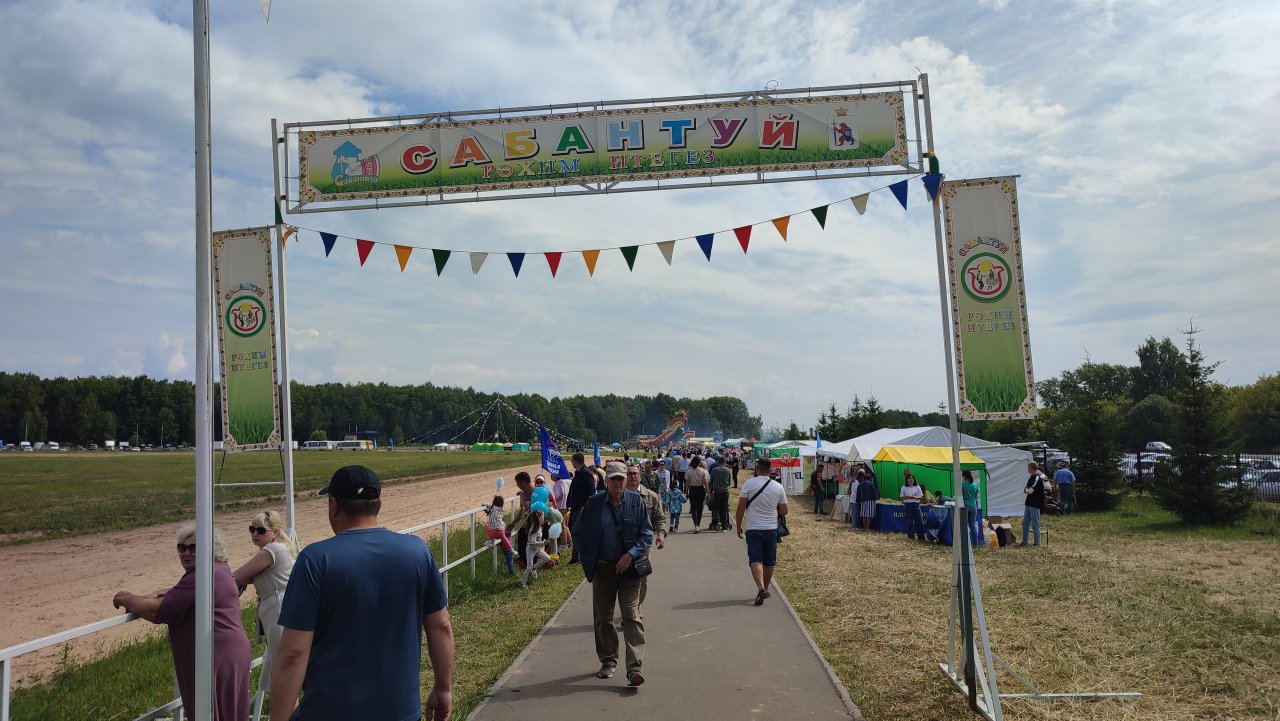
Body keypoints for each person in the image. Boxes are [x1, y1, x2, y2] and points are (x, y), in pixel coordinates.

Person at [271, 465, 454, 721]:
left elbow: (293, 654)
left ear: (333, 505)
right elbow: (441, 626)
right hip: (400, 711)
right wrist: (443, 687)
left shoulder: (315, 560)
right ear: (378, 503)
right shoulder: (417, 551)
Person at [113, 523, 251, 721]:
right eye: (182, 547)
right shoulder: (219, 570)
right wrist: (159, 593)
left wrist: (126, 599)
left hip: (215, 656)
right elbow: (183, 593)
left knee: (211, 711)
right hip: (228, 652)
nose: (186, 553)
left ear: (209, 549)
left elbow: (157, 611)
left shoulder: (203, 575)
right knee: (229, 712)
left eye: (194, 548)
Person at [572, 461, 653, 686]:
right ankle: (608, 660)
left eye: (621, 478)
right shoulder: (594, 503)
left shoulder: (637, 502)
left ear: (627, 480)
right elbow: (578, 532)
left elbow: (647, 534)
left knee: (630, 615)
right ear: (605, 481)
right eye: (613, 479)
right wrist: (591, 555)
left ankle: (634, 669)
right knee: (603, 617)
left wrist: (630, 555)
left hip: (630, 570)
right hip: (603, 570)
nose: (618, 483)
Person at [233, 510, 296, 690]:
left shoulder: (271, 550)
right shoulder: (281, 548)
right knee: (282, 671)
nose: (254, 534)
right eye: (252, 529)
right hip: (280, 608)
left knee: (282, 674)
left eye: (261, 530)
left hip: (278, 610)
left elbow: (236, 576)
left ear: (275, 532)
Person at [735, 458, 789, 606]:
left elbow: (740, 508)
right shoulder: (778, 487)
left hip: (753, 528)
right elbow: (784, 510)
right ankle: (765, 588)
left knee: (755, 559)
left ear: (756, 469)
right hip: (771, 529)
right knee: (769, 561)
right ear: (770, 470)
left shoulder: (749, 484)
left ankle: (760, 589)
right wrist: (773, 509)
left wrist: (738, 526)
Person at [625, 463, 667, 616]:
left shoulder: (651, 496)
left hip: (644, 544)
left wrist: (661, 535)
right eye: (629, 474)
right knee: (624, 579)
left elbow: (659, 518)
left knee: (641, 577)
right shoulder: (617, 495)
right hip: (622, 544)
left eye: (635, 473)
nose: (633, 476)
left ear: (640, 476)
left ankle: (636, 607)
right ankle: (628, 608)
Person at [568, 453, 597, 565]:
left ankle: (579, 557)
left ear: (575, 461)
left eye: (572, 461)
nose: (571, 463)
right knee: (576, 532)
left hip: (581, 508)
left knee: (578, 533)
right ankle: (576, 557)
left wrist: (585, 507)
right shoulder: (580, 473)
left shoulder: (585, 473)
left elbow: (591, 492)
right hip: (576, 507)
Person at [482, 495, 516, 575]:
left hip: (495, 531)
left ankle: (491, 540)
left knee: (487, 527)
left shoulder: (492, 509)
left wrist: (486, 506)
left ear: (494, 502)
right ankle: (512, 549)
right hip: (501, 531)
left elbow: (485, 507)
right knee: (505, 540)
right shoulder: (501, 510)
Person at [521, 509, 551, 588]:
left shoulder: (540, 527)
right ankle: (522, 582)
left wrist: (543, 541)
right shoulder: (533, 529)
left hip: (537, 549)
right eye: (543, 517)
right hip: (530, 550)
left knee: (547, 558)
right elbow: (532, 543)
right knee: (528, 567)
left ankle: (535, 568)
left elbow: (538, 540)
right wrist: (542, 543)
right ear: (538, 518)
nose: (544, 519)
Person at [511, 471, 534, 568]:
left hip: (535, 526)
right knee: (521, 545)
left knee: (533, 547)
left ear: (523, 482)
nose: (517, 485)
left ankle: (533, 566)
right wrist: (513, 523)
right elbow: (522, 510)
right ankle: (524, 564)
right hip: (524, 525)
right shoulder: (522, 495)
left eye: (518, 483)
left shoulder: (538, 493)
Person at [1021, 462, 1047, 547]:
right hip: (1028, 503)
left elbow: (1029, 490)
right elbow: (1025, 489)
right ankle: (1025, 541)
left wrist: (1027, 490)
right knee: (1025, 523)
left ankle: (1037, 543)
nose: (1028, 469)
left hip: (1035, 504)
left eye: (1029, 467)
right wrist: (1026, 490)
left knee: (1035, 523)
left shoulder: (1037, 478)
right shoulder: (1031, 478)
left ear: (1032, 468)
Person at [685, 457, 711, 532]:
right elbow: (705, 483)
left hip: (692, 489)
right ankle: (698, 524)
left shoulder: (689, 471)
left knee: (694, 509)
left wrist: (686, 492)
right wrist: (708, 493)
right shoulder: (703, 471)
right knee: (700, 509)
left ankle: (695, 525)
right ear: (699, 462)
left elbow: (687, 483)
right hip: (701, 490)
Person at [900, 471, 925, 541]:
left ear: (914, 480)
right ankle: (911, 537)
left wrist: (915, 497)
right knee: (909, 521)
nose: (911, 480)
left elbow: (921, 496)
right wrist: (907, 497)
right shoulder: (904, 487)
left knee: (919, 521)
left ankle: (921, 537)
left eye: (912, 478)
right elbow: (901, 497)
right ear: (907, 480)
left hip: (916, 505)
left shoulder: (917, 487)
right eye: (909, 478)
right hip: (908, 505)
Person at [709, 458, 733, 531]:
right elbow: (729, 481)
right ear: (725, 462)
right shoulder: (728, 470)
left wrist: (711, 491)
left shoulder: (714, 470)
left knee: (715, 508)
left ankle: (718, 520)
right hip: (725, 491)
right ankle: (724, 526)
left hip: (717, 491)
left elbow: (711, 481)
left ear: (718, 462)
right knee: (724, 509)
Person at [961, 470, 982, 547]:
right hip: (973, 506)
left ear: (964, 476)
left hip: (966, 506)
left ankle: (966, 543)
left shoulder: (963, 484)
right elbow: (975, 496)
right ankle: (975, 544)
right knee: (972, 525)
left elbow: (961, 495)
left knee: (965, 525)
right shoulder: (975, 485)